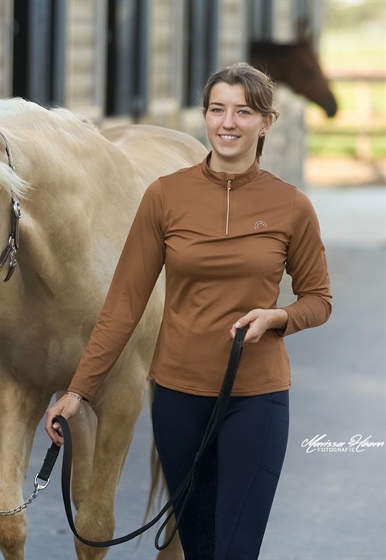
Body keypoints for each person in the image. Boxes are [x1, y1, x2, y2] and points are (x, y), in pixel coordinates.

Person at [45, 62, 332, 559]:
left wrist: (278, 317)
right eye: (217, 109)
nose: (228, 122)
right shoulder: (164, 196)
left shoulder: (291, 206)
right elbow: (123, 304)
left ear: (266, 122)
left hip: (256, 399)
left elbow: (318, 299)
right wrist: (78, 391)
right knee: (197, 550)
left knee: (236, 549)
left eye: (243, 111)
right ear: (204, 116)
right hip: (178, 400)